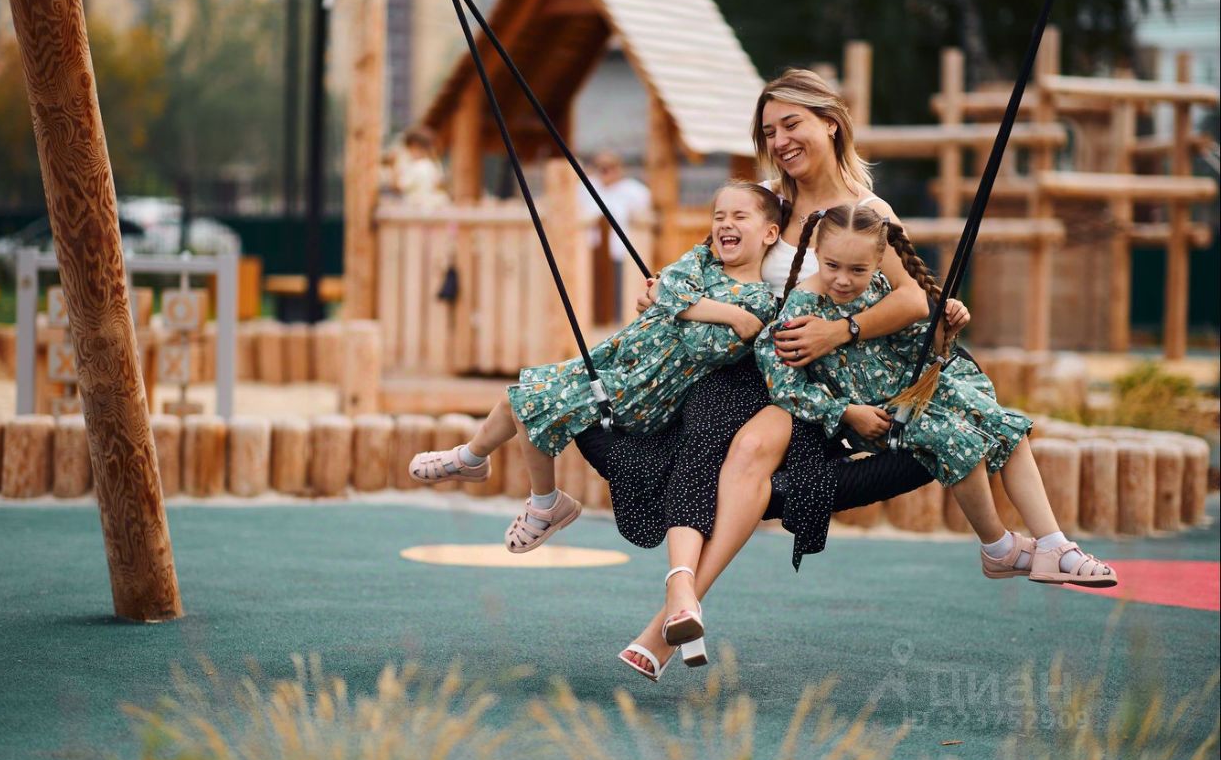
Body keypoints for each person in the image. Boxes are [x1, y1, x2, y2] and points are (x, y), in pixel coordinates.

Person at [579, 69, 971, 681]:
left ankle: (670, 617)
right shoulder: (765, 201)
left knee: (750, 450)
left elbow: (914, 298)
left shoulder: (866, 212)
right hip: (740, 369)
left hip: (809, 380)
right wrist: (667, 291)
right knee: (691, 436)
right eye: (769, 131)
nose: (780, 140)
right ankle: (678, 606)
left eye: (792, 124)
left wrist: (840, 332)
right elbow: (711, 261)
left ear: (830, 124)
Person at [408, 184, 787, 653]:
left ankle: (543, 502)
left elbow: (702, 343)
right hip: (612, 360)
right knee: (517, 397)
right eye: (719, 215)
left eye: (740, 217)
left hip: (638, 392)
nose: (725, 224)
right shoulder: (708, 265)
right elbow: (664, 286)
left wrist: (675, 303)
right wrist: (717, 311)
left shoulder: (760, 303)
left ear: (770, 233)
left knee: (531, 405)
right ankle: (474, 459)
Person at [760, 203, 1117, 589]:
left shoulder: (879, 288)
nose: (843, 280)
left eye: (858, 270)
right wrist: (846, 412)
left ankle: (1053, 544)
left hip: (917, 392)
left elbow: (910, 348)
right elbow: (786, 388)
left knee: (1006, 426)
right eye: (833, 266)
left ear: (878, 261)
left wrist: (942, 330)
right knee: (957, 440)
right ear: (816, 252)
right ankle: (998, 547)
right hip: (880, 416)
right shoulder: (799, 311)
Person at [578, 151, 652, 319]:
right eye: (601, 168)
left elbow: (645, 212)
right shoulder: (586, 188)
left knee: (619, 294)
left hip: (619, 252)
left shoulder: (633, 190)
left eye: (610, 167)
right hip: (591, 251)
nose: (605, 172)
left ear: (619, 169)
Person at [389, 127, 450, 207]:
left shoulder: (418, 166)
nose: (409, 152)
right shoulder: (432, 164)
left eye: (409, 149)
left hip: (416, 207)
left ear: (416, 147)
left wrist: (394, 166)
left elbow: (399, 186)